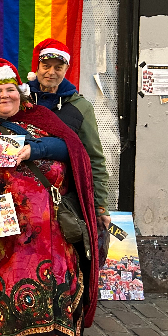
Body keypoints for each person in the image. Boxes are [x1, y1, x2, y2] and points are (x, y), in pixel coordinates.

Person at [0, 58, 99, 336]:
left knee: (60, 275)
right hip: (2, 221)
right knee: (4, 275)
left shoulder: (42, 118)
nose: (4, 96)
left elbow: (74, 149)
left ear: (20, 93)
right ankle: (4, 333)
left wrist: (35, 150)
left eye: (9, 90)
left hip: (51, 223)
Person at [27, 39, 111, 232]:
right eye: (46, 66)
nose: (51, 72)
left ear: (66, 69)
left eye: (58, 67)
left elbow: (94, 159)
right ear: (37, 67)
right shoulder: (21, 101)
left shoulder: (80, 108)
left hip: (62, 204)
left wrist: (100, 206)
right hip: (23, 199)